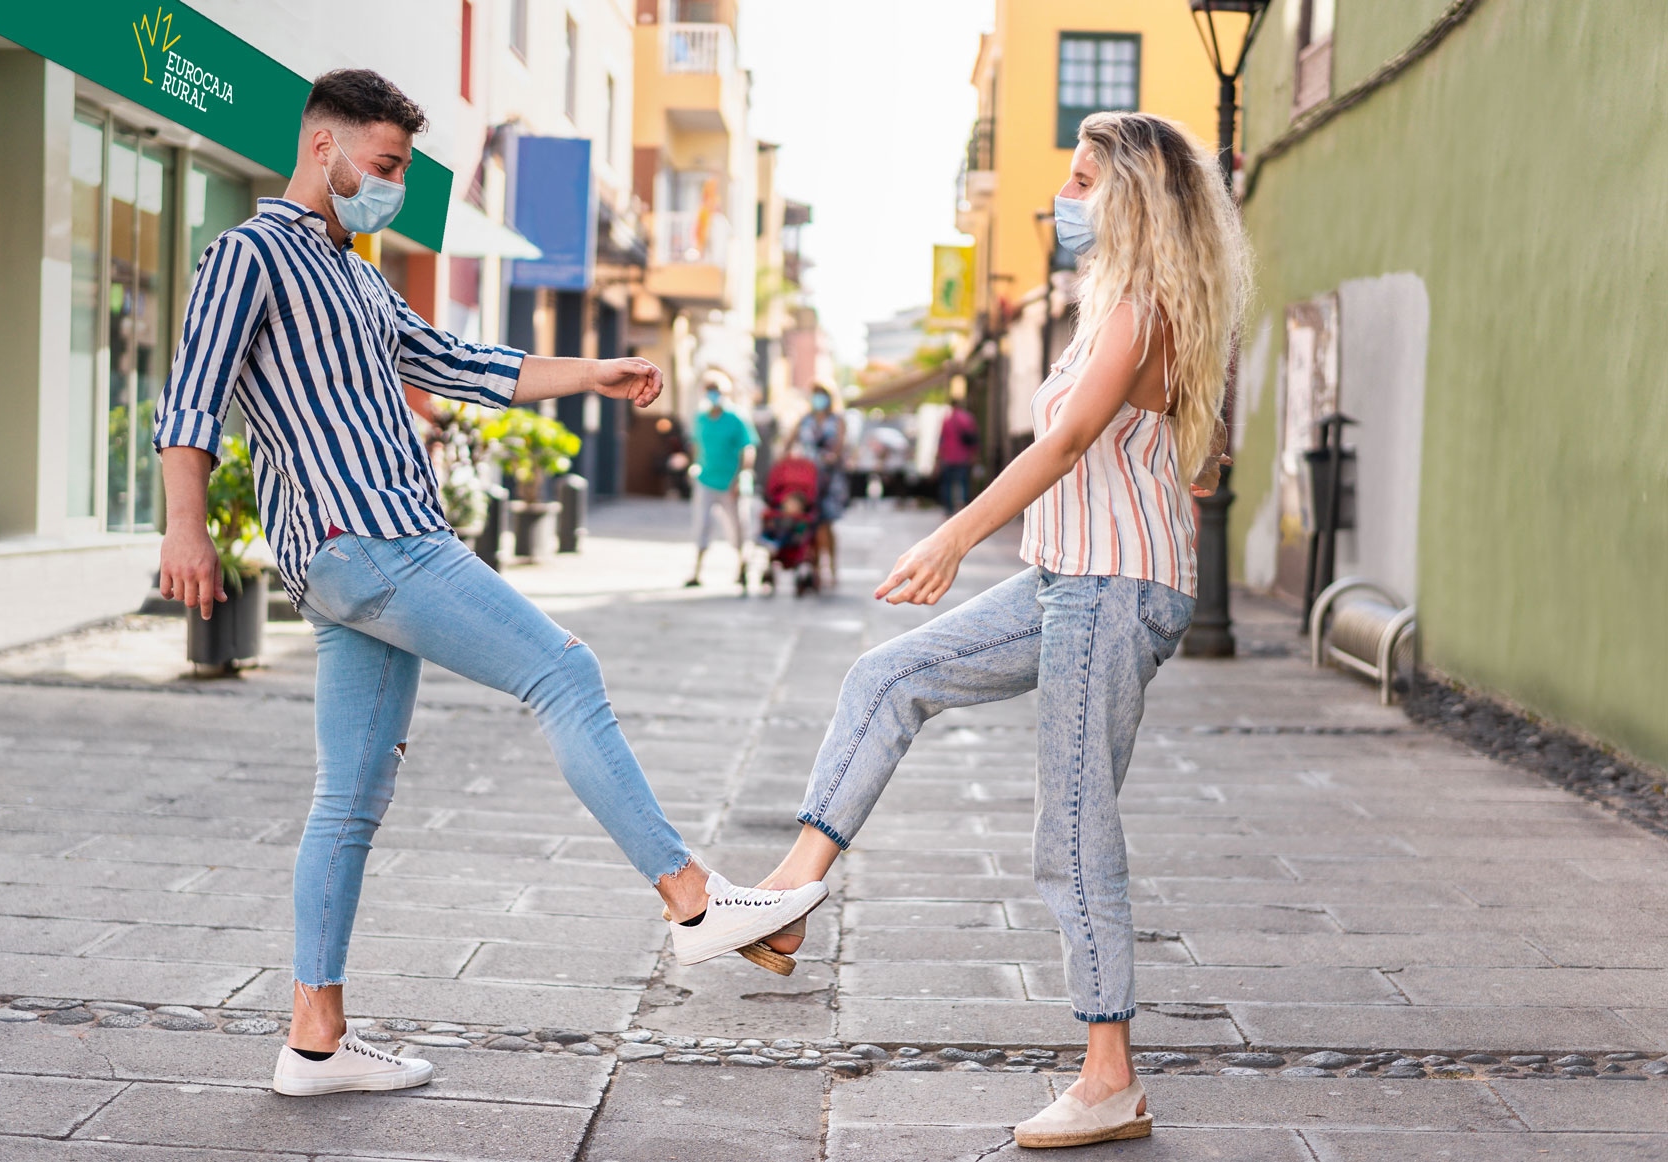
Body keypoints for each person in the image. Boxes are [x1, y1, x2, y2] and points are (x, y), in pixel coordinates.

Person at [152, 69, 825, 1099]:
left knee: (349, 798)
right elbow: (192, 395)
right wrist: (185, 530)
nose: (390, 188)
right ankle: (694, 901)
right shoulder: (247, 253)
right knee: (564, 671)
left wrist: (588, 373)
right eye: (382, 166)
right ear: (322, 147)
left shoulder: (359, 275)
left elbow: (460, 363)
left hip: (350, 562)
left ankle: (314, 1040)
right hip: (372, 537)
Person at [752, 112, 1248, 1149]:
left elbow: (1069, 440)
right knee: (889, 677)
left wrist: (951, 538)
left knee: (1071, 824)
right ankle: (789, 897)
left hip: (1112, 589)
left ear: (1131, 197)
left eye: (1081, 183)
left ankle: (1109, 1077)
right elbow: (1169, 464)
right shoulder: (1109, 305)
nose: (1065, 203)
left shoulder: (1146, 309)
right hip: (1070, 577)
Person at [686, 373, 758, 588]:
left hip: (730, 482)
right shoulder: (700, 418)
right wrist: (694, 466)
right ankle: (696, 572)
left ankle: (742, 568)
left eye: (717, 390)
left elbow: (748, 449)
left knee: (737, 527)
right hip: (706, 479)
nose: (713, 395)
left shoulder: (737, 418)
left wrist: (740, 478)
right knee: (702, 525)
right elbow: (696, 445)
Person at [785, 383, 848, 588]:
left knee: (824, 523)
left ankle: (830, 567)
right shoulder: (804, 419)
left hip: (829, 479)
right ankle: (815, 567)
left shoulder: (836, 420)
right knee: (809, 523)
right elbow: (789, 441)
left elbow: (839, 446)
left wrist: (831, 457)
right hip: (806, 478)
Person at [936, 393, 979, 514]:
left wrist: (939, 458)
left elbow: (941, 440)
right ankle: (965, 508)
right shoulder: (968, 418)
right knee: (964, 483)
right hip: (963, 456)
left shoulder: (947, 420)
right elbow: (974, 439)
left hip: (949, 457)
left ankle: (949, 509)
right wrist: (974, 454)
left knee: (948, 485)